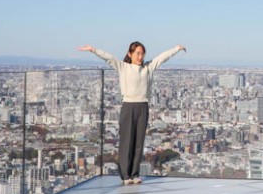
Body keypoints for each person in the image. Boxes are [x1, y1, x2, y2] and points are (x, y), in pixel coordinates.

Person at [79, 41, 186, 184]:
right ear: (130, 54)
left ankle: (135, 174)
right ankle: (125, 175)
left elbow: (162, 58)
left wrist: (176, 49)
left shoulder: (147, 68)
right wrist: (93, 50)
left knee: (138, 142)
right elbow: (109, 58)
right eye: (137, 53)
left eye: (142, 54)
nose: (140, 57)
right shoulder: (124, 67)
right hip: (128, 106)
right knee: (126, 141)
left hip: (143, 106)